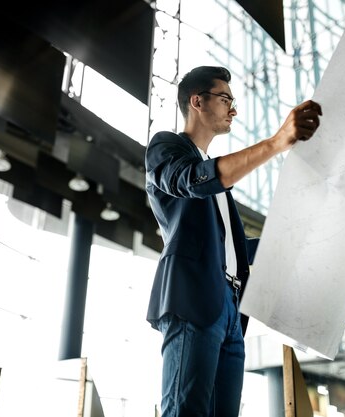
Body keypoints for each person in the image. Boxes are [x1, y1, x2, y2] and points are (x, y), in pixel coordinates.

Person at [144, 66, 322, 417]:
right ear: (197, 101)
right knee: (186, 411)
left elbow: (233, 248)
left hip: (230, 306)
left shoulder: (217, 174)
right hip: (194, 297)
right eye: (226, 99)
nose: (234, 110)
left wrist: (292, 237)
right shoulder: (167, 146)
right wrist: (274, 143)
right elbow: (190, 181)